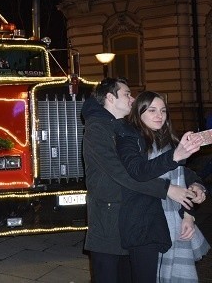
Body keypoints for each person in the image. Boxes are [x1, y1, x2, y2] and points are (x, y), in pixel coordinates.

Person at [81, 77, 202, 283]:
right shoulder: (98, 129)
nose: (132, 98)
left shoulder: (126, 128)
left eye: (163, 111)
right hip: (110, 219)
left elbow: (158, 164)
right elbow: (123, 173)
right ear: (110, 98)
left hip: (133, 219)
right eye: (127, 94)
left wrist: (195, 183)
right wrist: (167, 189)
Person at [117, 91, 209, 282]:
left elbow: (184, 175)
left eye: (163, 111)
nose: (159, 115)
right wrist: (176, 156)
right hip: (144, 225)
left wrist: (196, 190)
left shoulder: (167, 142)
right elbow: (138, 171)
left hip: (173, 222)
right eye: (152, 110)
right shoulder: (128, 138)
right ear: (138, 112)